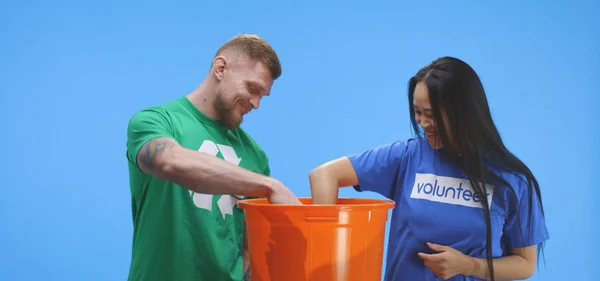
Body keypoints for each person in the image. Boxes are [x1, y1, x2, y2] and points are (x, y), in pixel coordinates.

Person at [308, 56, 549, 281]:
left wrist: (469, 265)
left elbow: (525, 264)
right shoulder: (406, 157)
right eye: (417, 112)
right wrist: (327, 255)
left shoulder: (512, 181)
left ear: (464, 113)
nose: (423, 123)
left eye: (431, 115)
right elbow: (324, 175)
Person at [125, 33, 301, 281]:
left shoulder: (255, 155)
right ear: (220, 68)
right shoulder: (155, 122)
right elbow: (170, 162)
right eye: (252, 89)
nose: (256, 103)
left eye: (263, 95)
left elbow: (250, 247)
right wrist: (268, 185)